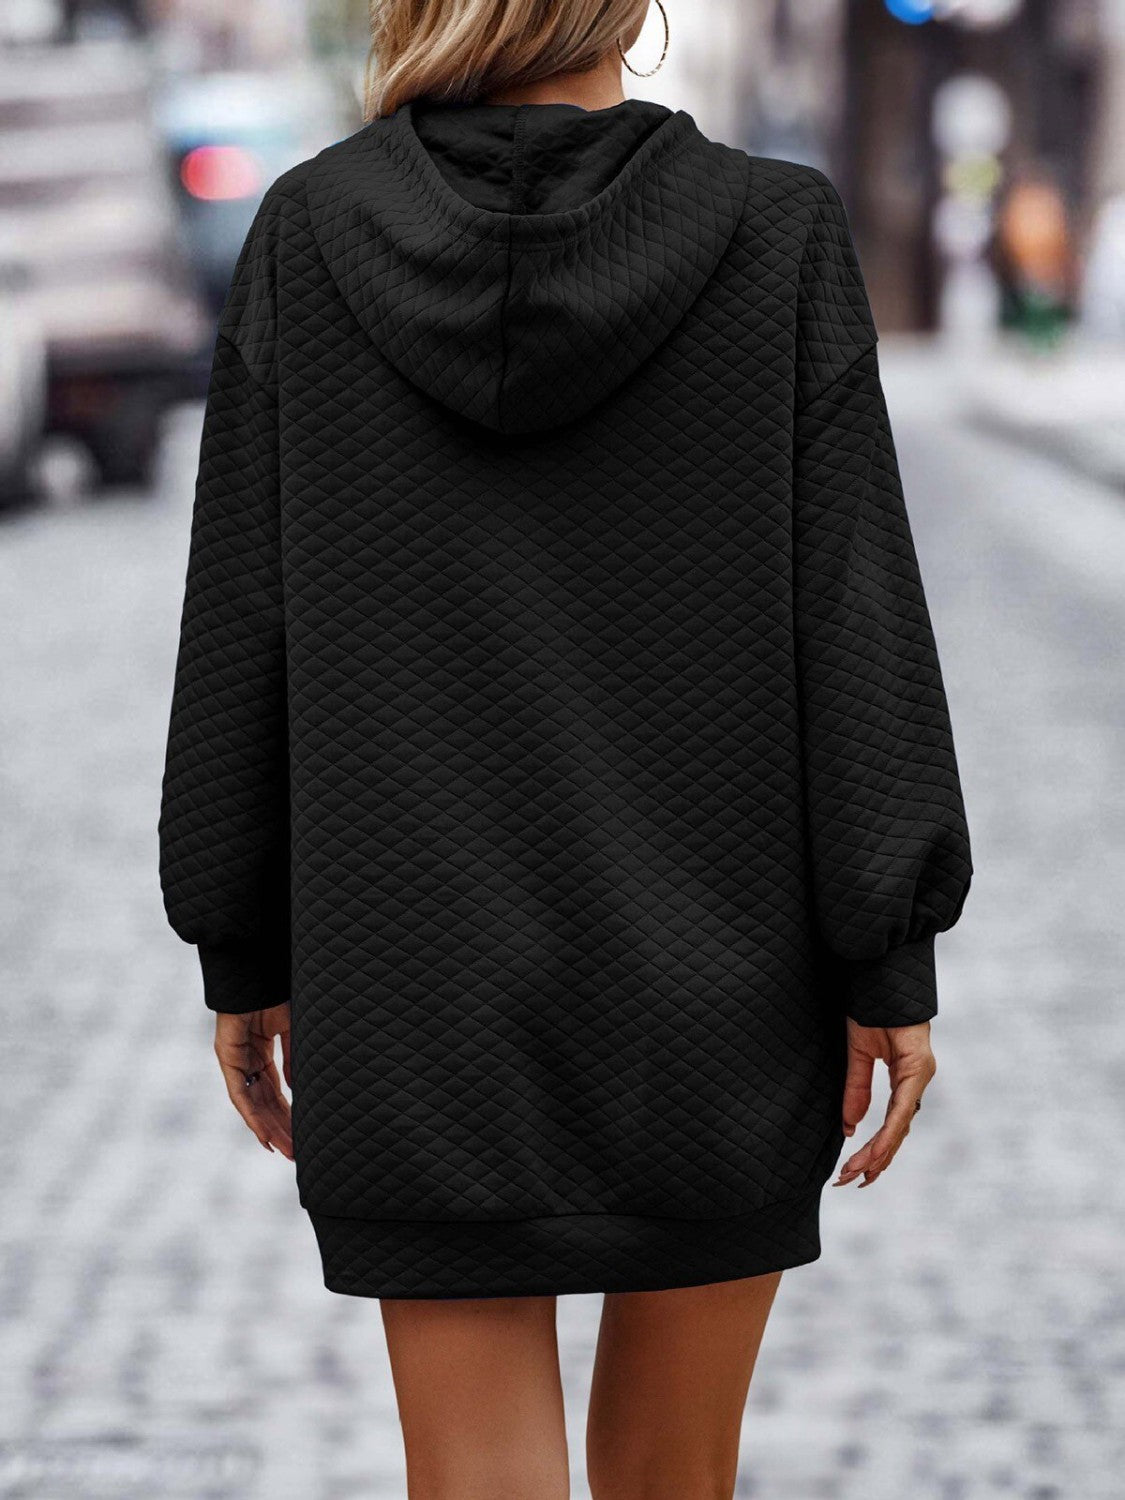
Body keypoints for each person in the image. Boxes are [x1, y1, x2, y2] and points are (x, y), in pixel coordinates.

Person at [158, 2, 972, 1495]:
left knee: (475, 1480)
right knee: (675, 1474)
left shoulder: (309, 234)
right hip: (719, 996)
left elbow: (240, 626)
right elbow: (854, 620)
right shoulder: (774, 235)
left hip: (409, 995)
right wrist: (886, 958)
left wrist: (241, 944)